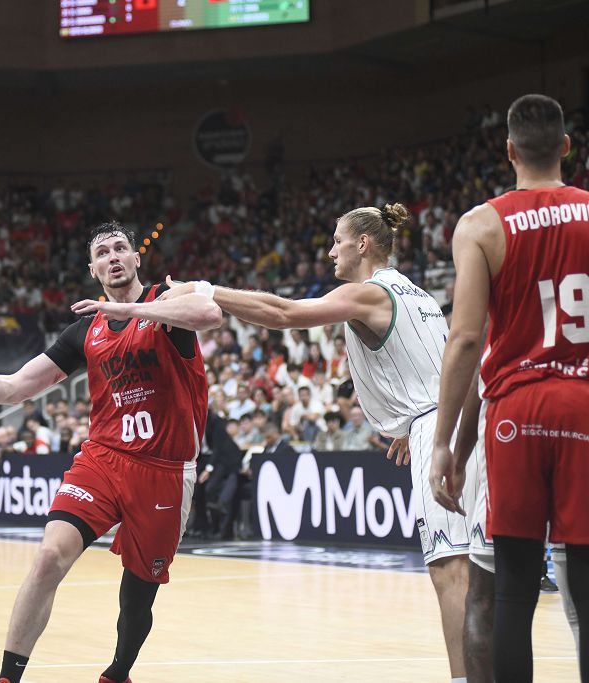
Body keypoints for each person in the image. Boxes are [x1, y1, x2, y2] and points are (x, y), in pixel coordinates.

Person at [162, 202, 476, 681]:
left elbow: (284, 313)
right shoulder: (421, 295)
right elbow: (443, 366)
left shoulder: (370, 294)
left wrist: (207, 291)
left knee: (451, 569)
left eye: (337, 241)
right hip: (458, 421)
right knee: (478, 564)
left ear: (363, 244)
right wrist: (422, 423)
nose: (331, 252)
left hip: (440, 425)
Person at [0, 221, 221, 683]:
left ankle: (117, 673)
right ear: (93, 269)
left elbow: (208, 314)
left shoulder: (164, 302)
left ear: (136, 259)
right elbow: (15, 387)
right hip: (104, 459)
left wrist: (130, 309)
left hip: (166, 469)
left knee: (138, 596)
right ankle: (7, 678)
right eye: (102, 253)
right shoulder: (84, 332)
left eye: (120, 249)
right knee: (50, 555)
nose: (113, 257)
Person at [429, 94, 587, 683]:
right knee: (587, 594)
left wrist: (446, 441)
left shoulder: (481, 224)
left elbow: (467, 339)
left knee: (514, 592)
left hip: (516, 411)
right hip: (584, 407)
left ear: (509, 150)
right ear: (567, 147)